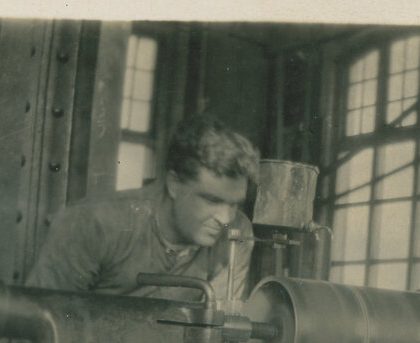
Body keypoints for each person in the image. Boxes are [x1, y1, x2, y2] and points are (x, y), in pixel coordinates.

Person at [26, 113, 260, 302]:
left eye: (235, 204)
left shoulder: (237, 234)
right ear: (174, 184)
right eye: (211, 200)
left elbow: (217, 331)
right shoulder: (94, 223)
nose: (226, 218)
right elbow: (39, 320)